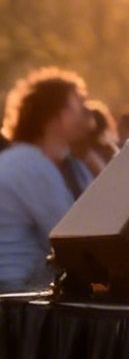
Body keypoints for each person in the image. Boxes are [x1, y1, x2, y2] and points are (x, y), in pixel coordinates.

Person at [0, 69, 86, 292]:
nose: (83, 116)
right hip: (18, 293)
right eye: (76, 107)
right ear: (54, 116)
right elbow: (69, 237)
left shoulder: (34, 161)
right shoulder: (30, 165)